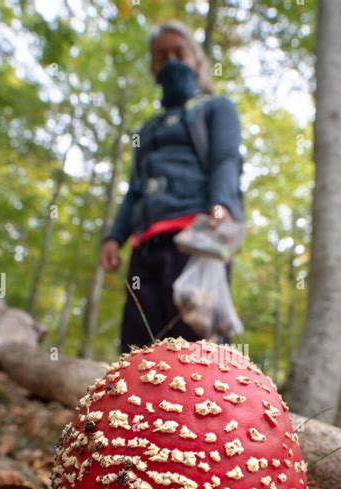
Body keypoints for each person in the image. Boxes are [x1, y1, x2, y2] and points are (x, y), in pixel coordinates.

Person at [99, 20, 244, 353]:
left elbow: (225, 159)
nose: (171, 61)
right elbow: (135, 188)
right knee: (138, 346)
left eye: (179, 52)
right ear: (153, 67)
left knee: (196, 340)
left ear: (197, 60)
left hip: (196, 239)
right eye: (161, 56)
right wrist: (114, 236)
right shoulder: (148, 129)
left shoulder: (215, 108)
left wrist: (220, 204)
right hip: (146, 244)